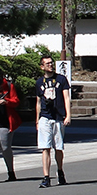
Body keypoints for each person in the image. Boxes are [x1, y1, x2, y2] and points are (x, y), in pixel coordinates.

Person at [35, 55, 69, 187]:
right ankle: (46, 177)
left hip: (58, 117)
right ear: (42, 66)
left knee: (58, 147)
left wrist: (68, 115)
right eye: (47, 63)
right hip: (45, 117)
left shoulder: (61, 79)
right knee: (45, 147)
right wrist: (37, 120)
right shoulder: (39, 82)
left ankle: (60, 171)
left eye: (51, 63)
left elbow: (66, 97)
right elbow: (38, 102)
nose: (50, 65)